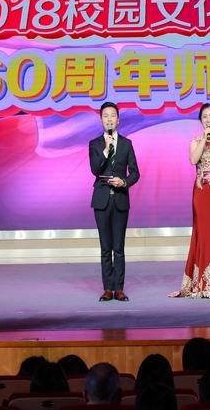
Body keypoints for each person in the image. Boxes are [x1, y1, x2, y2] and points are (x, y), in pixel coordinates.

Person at [173, 103, 210, 298]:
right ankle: (202, 283)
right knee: (204, 235)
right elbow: (193, 160)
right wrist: (203, 140)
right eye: (205, 117)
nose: (208, 120)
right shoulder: (195, 141)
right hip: (202, 194)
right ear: (201, 120)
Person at [89, 101, 141, 302]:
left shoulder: (127, 144)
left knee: (118, 248)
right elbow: (95, 169)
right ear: (101, 120)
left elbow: (135, 173)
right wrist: (106, 150)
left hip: (120, 199)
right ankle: (107, 289)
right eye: (105, 116)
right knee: (105, 248)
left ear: (118, 120)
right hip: (101, 200)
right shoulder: (95, 144)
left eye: (112, 116)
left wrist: (124, 182)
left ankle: (119, 288)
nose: (109, 119)